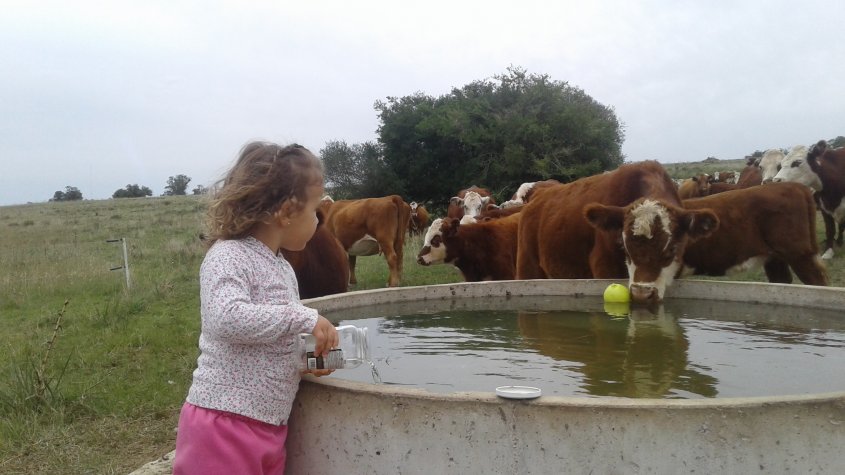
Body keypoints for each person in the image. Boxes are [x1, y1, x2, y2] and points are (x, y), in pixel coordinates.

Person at [172, 141, 339, 475]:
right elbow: (227, 318)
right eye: (314, 212)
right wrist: (304, 317)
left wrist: (306, 361)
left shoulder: (281, 267)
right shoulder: (228, 256)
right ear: (287, 212)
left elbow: (270, 336)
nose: (319, 223)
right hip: (224, 424)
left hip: (268, 425)